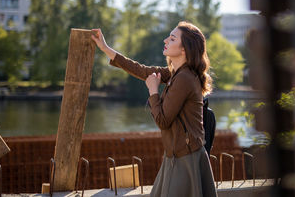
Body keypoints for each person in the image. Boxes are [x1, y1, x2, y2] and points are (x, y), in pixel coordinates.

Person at [91, 21, 217, 197]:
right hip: (175, 156)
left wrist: (152, 91)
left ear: (184, 49)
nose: (166, 40)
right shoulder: (176, 73)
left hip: (184, 160)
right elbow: (141, 70)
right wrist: (105, 48)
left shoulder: (185, 78)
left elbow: (163, 121)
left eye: (172, 38)